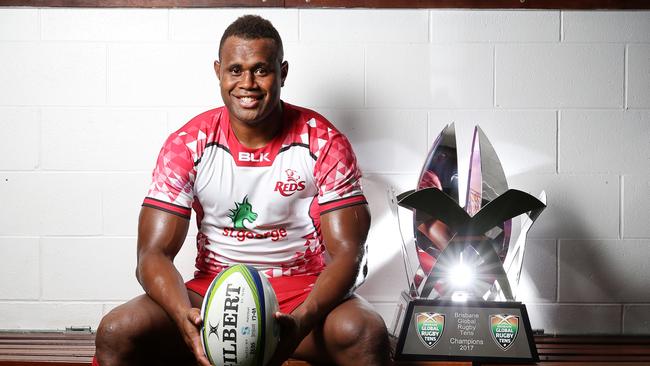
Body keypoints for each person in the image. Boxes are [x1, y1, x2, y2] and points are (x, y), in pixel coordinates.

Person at [94, 14, 392, 366]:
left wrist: (301, 321)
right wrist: (183, 319)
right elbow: (152, 256)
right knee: (118, 331)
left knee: (365, 334)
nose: (247, 82)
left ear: (282, 72)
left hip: (300, 294)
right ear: (218, 71)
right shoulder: (188, 144)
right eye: (235, 70)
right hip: (213, 291)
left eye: (261, 70)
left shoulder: (323, 141)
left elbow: (350, 256)